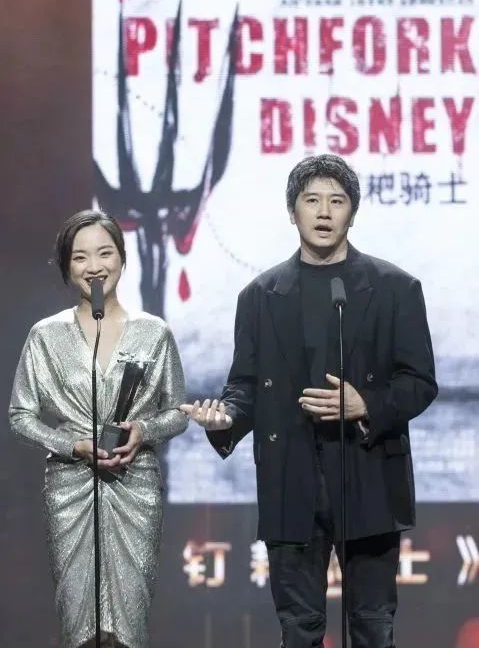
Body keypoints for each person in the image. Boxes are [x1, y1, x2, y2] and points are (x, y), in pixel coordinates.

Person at [180, 154, 438, 648]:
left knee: (373, 627)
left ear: (352, 213)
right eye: (311, 200)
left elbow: (420, 382)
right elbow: (245, 385)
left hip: (368, 479)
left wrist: (367, 404)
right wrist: (225, 418)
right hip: (290, 481)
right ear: (292, 211)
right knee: (298, 631)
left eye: (336, 202)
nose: (323, 212)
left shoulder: (396, 289)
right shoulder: (259, 296)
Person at [9, 210, 188, 648]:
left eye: (105, 253)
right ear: (67, 266)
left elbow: (178, 412)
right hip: (70, 489)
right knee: (78, 621)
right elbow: (20, 416)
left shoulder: (154, 333)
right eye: (80, 257)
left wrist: (143, 430)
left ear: (122, 259)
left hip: (135, 487)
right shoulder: (45, 335)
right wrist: (71, 444)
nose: (94, 266)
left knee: (130, 620)